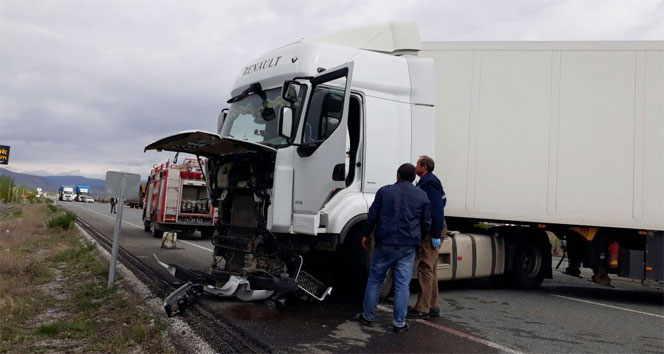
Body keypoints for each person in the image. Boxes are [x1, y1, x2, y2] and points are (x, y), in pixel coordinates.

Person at [354, 163, 431, 333]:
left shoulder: (384, 191)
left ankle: (368, 316)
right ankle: (399, 323)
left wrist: (366, 234)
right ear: (414, 178)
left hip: (385, 243)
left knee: (375, 279)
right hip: (407, 245)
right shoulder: (422, 195)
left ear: (398, 175)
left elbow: (373, 215)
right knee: (402, 284)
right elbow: (426, 223)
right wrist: (418, 238)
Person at [407, 156, 447, 319]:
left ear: (424, 167)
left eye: (417, 164)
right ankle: (433, 306)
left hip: (432, 231)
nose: (416, 167)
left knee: (425, 268)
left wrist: (435, 234)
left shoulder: (429, 182)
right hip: (433, 229)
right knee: (431, 269)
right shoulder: (429, 180)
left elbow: (437, 210)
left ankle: (423, 308)